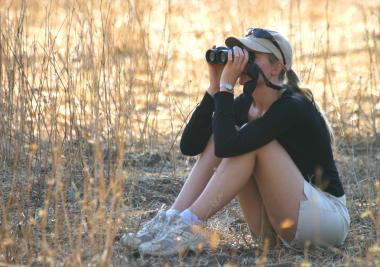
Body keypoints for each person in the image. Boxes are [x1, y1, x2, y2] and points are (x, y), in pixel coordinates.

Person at [121, 28, 350, 256]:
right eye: (240, 53)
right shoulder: (245, 104)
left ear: (277, 67)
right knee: (224, 133)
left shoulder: (293, 106)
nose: (241, 61)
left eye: (252, 57)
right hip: (276, 228)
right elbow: (190, 146)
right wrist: (214, 87)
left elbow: (228, 147)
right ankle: (172, 219)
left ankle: (188, 224)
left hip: (326, 219)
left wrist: (227, 88)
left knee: (251, 141)